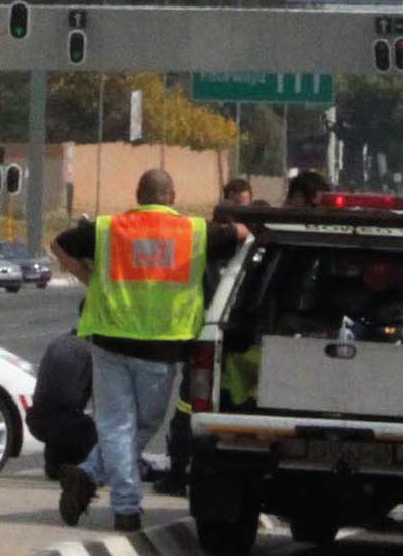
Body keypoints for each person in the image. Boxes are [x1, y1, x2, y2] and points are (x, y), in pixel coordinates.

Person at [51, 169, 248, 531]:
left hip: (110, 338)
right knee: (142, 424)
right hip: (162, 346)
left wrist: (87, 277)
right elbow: (241, 234)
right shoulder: (195, 231)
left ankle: (87, 473)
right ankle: (125, 506)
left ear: (138, 195)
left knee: (116, 425)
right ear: (172, 197)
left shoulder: (109, 228)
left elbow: (60, 243)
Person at [160, 175, 257, 496]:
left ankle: (180, 473)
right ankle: (181, 471)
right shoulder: (241, 252)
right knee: (202, 408)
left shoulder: (241, 254)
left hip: (216, 342)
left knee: (198, 409)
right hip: (218, 342)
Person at [26, 311, 97, 481]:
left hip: (37, 420)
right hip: (67, 426)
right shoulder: (91, 350)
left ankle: (57, 464)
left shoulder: (58, 342)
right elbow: (103, 402)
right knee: (112, 432)